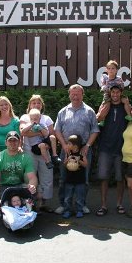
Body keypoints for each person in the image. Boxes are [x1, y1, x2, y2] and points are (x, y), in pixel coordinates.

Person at [95, 86, 132, 217]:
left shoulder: (126, 107)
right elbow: (98, 118)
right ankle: (103, 205)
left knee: (120, 179)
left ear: (121, 93)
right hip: (105, 148)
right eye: (112, 92)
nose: (115, 94)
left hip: (121, 150)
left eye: (117, 92)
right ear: (109, 93)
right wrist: (105, 105)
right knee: (103, 178)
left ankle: (119, 204)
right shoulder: (105, 104)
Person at [54, 84, 100, 215]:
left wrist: (87, 146)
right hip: (67, 150)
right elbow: (57, 130)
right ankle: (63, 205)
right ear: (69, 95)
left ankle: (82, 204)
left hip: (83, 150)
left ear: (82, 95)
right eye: (73, 94)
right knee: (64, 178)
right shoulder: (63, 111)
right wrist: (63, 144)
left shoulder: (89, 111)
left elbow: (95, 130)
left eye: (78, 94)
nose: (75, 96)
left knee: (83, 179)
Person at [20, 94, 59, 213]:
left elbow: (50, 135)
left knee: (46, 177)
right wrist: (38, 133)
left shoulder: (46, 119)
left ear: (42, 105)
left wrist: (45, 141)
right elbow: (23, 132)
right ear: (29, 105)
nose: (36, 104)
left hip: (44, 151)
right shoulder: (25, 117)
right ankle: (29, 203)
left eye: (38, 103)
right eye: (34, 103)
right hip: (28, 151)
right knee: (29, 178)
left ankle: (43, 203)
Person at [0, 131, 38, 211]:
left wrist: (32, 186)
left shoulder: (26, 158)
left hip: (19, 185)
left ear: (19, 142)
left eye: (15, 140)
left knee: (38, 194)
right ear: (6, 143)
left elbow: (32, 177)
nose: (12, 143)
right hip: (3, 186)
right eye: (10, 140)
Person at [98, 60, 132, 125]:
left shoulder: (118, 79)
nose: (111, 70)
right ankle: (102, 119)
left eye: (113, 68)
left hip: (117, 94)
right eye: (109, 68)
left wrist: (119, 89)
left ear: (116, 70)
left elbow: (122, 87)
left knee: (126, 101)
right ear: (106, 70)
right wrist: (105, 88)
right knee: (105, 105)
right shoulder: (105, 77)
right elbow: (102, 86)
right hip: (107, 94)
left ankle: (129, 115)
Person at [62, 135, 88, 219]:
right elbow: (64, 164)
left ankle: (79, 210)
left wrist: (79, 160)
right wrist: (68, 159)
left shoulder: (81, 153)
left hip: (80, 180)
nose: (67, 145)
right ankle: (67, 210)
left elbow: (86, 164)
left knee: (79, 197)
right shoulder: (68, 153)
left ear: (75, 146)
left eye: (69, 144)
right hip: (69, 179)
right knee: (68, 197)